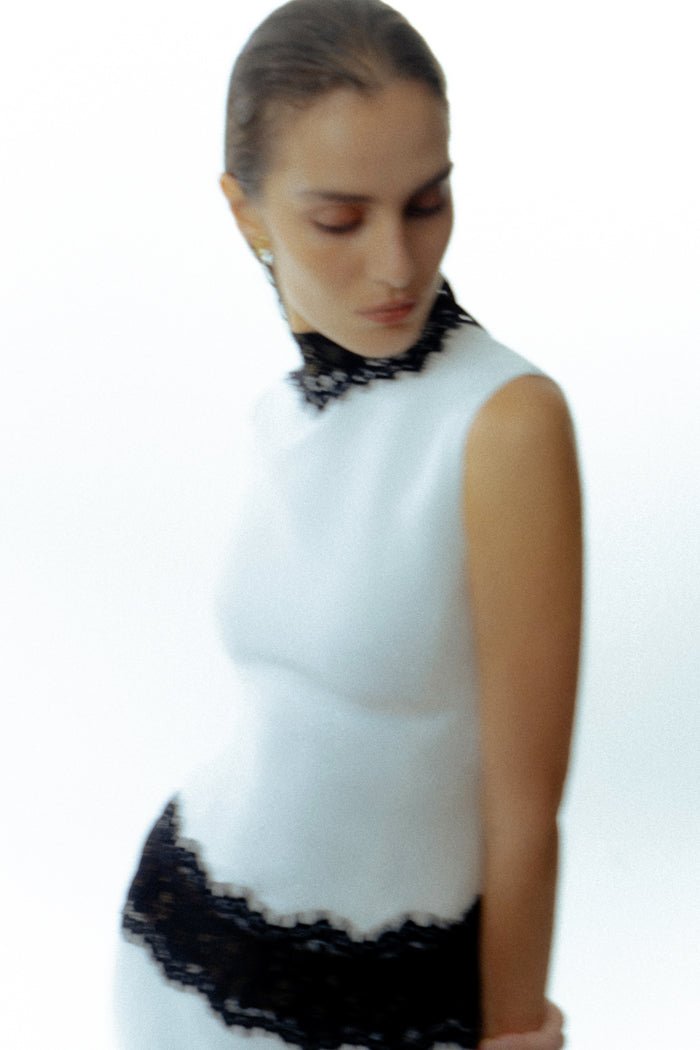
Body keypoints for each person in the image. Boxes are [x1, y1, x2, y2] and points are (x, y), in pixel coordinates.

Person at [114, 2, 581, 1048]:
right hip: (178, 946)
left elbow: (525, 813)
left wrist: (518, 1035)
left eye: (427, 203)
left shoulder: (504, 423)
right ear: (245, 213)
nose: (397, 264)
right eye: (340, 219)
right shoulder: (277, 415)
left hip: (385, 997)